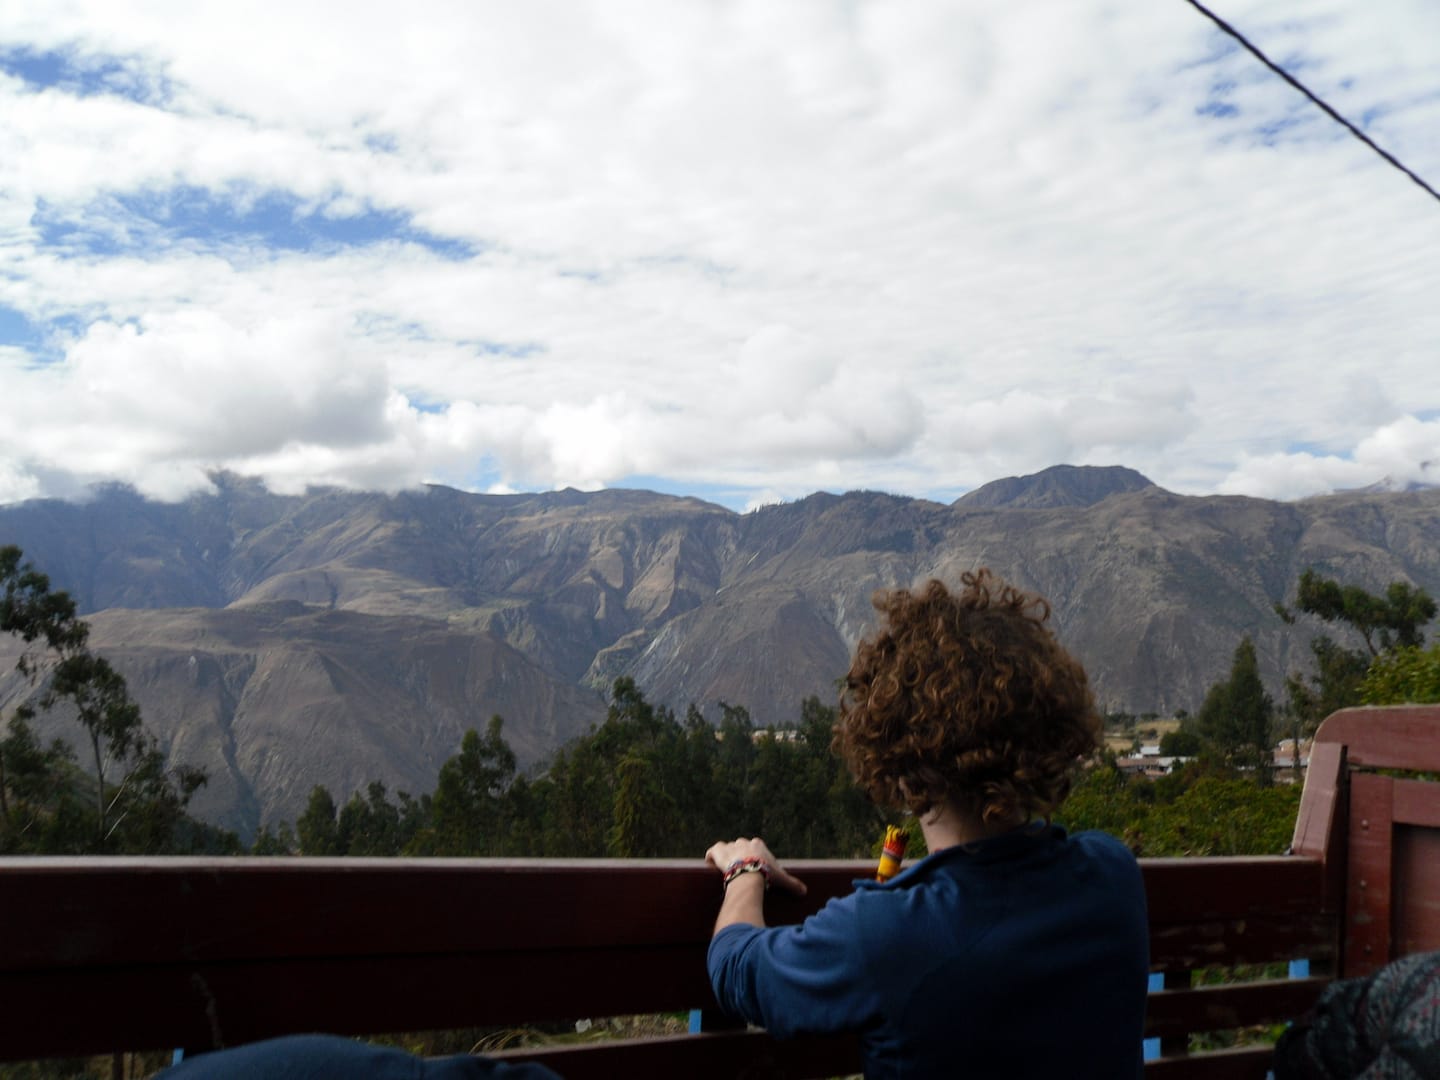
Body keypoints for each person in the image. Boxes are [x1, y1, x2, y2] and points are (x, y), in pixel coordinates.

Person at [705, 570, 1150, 1079]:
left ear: (896, 748)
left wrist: (744, 869)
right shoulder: (1113, 875)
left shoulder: (888, 933)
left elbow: (739, 970)